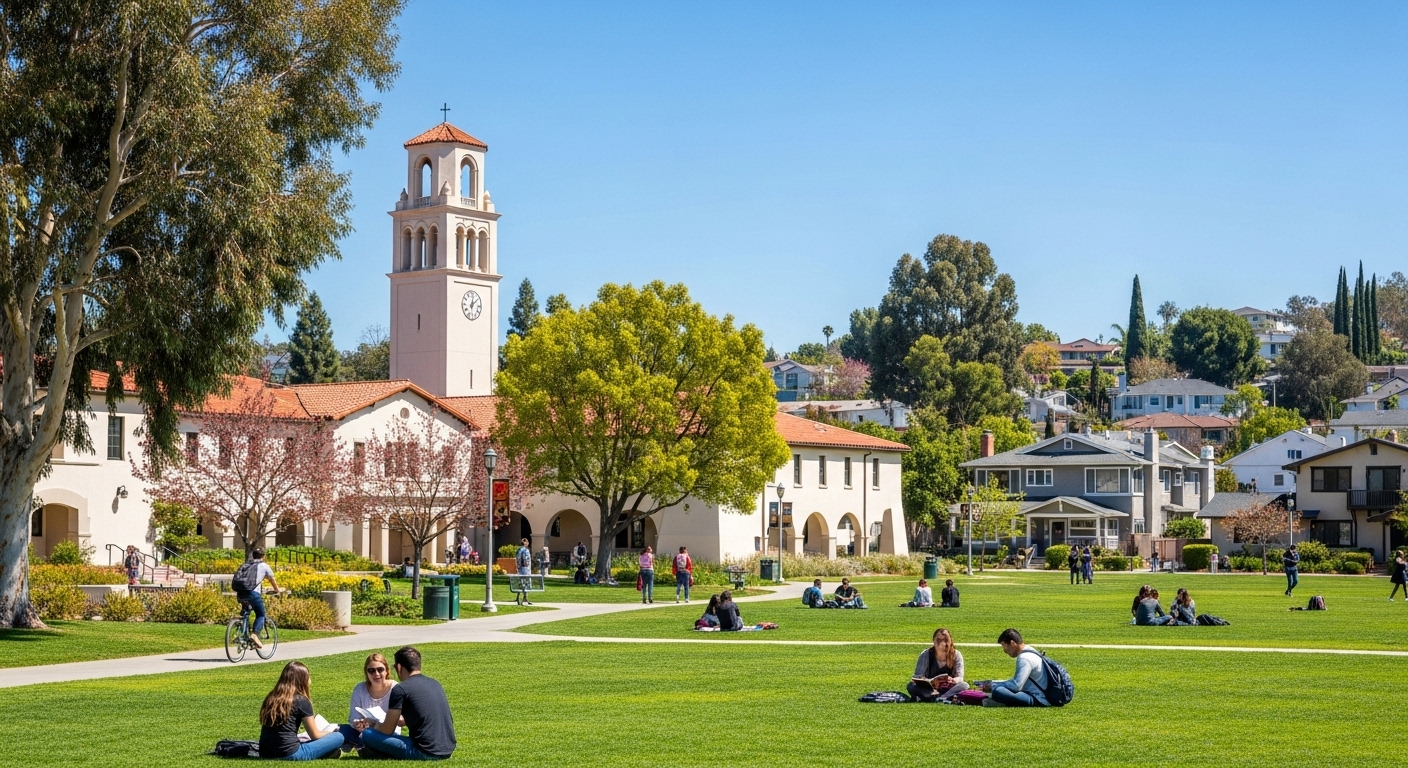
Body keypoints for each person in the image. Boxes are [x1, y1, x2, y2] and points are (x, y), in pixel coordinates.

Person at [360, 646, 456, 760]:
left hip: (423, 751)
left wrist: (373, 723)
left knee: (368, 734)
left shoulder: (401, 689)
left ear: (399, 667)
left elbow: (387, 729)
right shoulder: (435, 684)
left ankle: (378, 752)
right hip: (447, 750)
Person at [258, 661, 344, 760]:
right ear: (302, 680)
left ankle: (327, 752)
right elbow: (315, 735)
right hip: (290, 754)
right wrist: (329, 733)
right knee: (338, 737)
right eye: (308, 677)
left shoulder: (271, 697)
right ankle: (328, 751)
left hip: (264, 753)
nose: (310, 681)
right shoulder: (301, 700)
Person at [338, 653, 398, 752]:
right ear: (366, 673)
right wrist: (358, 724)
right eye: (371, 670)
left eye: (380, 669)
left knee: (367, 736)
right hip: (363, 732)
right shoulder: (360, 689)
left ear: (386, 671)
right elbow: (354, 718)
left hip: (388, 734)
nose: (376, 674)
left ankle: (358, 745)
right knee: (339, 730)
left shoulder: (395, 689)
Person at [980, 628, 1049, 707]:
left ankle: (997, 701)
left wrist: (992, 685)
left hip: (1038, 698)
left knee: (998, 691)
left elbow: (1016, 686)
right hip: (1042, 694)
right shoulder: (1030, 650)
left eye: (1004, 646)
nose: (1004, 651)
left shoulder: (1025, 658)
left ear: (1012, 643)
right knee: (995, 688)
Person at [233, 547, 280, 649]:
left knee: (246, 612)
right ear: (263, 556)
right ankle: (254, 635)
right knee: (261, 614)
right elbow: (272, 579)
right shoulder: (263, 566)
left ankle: (240, 632)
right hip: (253, 593)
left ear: (253, 555)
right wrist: (277, 590)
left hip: (240, 593)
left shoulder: (246, 564)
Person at [907, 628, 969, 702]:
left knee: (965, 685)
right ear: (934, 642)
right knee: (911, 686)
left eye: (946, 640)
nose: (943, 644)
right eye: (939, 640)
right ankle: (939, 697)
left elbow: (960, 677)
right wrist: (929, 681)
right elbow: (917, 677)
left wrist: (953, 680)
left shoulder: (956, 655)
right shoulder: (926, 654)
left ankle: (940, 698)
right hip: (929, 689)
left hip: (947, 688)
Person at [514, 538, 533, 606]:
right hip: (526, 570)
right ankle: (525, 598)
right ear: (526, 543)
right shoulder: (526, 550)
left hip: (519, 570)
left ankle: (518, 598)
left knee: (520, 584)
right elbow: (526, 561)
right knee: (526, 584)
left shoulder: (518, 550)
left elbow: (517, 560)